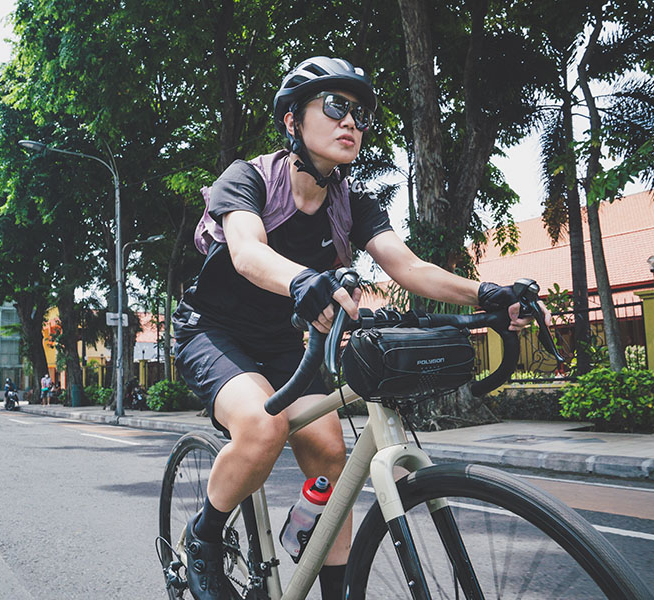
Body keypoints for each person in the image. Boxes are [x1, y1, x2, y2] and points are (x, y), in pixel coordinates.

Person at [172, 56, 552, 600]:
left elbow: (410, 268)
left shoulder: (352, 206)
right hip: (213, 333)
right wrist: (306, 281)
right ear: (291, 121)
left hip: (283, 343)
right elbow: (248, 252)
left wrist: (488, 294)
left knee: (331, 457)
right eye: (333, 106)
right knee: (263, 428)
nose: (350, 121)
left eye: (359, 113)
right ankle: (203, 538)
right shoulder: (250, 178)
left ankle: (321, 567)